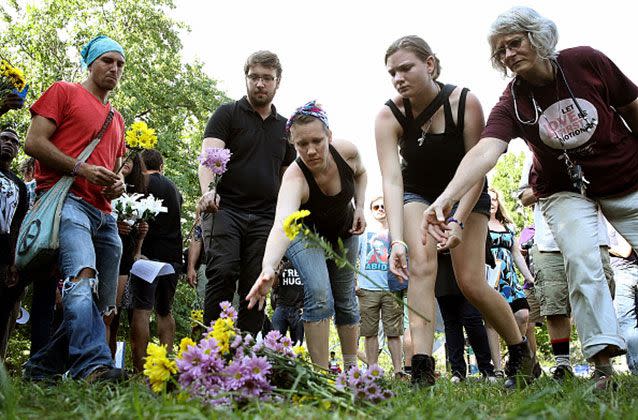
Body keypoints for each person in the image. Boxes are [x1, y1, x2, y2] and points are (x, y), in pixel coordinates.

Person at [423, 6, 637, 388]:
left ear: (538, 38)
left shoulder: (586, 61)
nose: (507, 54)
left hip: (626, 176)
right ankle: (603, 368)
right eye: (500, 50)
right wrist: (447, 198)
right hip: (564, 191)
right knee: (581, 259)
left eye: (514, 43)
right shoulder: (513, 100)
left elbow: (632, 108)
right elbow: (487, 150)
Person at [375, 35, 534, 388]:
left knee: (471, 282)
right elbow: (391, 181)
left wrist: (459, 220)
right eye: (392, 73)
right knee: (421, 266)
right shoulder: (389, 115)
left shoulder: (465, 102)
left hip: (465, 193)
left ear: (429, 64)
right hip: (417, 194)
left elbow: (478, 169)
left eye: (406, 68)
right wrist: (397, 241)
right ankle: (421, 368)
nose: (398, 77)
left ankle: (522, 355)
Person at [23, 35, 126, 382]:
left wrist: (118, 184)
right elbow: (33, 142)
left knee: (103, 305)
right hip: (66, 203)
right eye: (107, 60)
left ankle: (41, 368)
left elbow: (111, 168)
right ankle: (92, 367)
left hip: (104, 216)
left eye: (120, 63)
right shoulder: (64, 92)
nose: (114, 68)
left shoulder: (117, 118)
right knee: (81, 282)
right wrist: (81, 169)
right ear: (91, 62)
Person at [247, 101, 367, 370]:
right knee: (320, 292)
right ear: (293, 144)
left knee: (346, 299)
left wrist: (360, 206)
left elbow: (361, 173)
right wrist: (268, 267)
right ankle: (321, 374)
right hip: (305, 234)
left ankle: (351, 371)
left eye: (317, 141)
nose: (311, 150)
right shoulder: (295, 178)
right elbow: (282, 224)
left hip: (344, 232)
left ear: (329, 137)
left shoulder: (347, 152)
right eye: (302, 144)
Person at [198, 50, 296, 336]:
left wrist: (286, 215)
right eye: (254, 77)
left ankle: (246, 349)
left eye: (267, 78)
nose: (260, 84)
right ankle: (213, 349)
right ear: (246, 78)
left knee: (258, 280)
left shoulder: (285, 127)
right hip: (225, 209)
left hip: (267, 217)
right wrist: (209, 191)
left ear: (278, 82)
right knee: (223, 271)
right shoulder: (226, 114)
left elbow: (288, 177)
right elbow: (207, 160)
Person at [518, 152, 614, 381]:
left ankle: (603, 367)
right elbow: (523, 196)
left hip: (591, 236)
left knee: (596, 299)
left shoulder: (593, 145)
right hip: (549, 242)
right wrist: (550, 184)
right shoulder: (535, 154)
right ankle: (562, 366)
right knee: (554, 303)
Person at [129, 149, 182, 372]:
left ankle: (140, 371)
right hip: (172, 257)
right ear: (161, 165)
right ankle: (165, 366)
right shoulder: (174, 189)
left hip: (146, 257)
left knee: (141, 309)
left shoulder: (142, 183)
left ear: (140, 165)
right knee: (164, 311)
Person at [356, 195, 405, 378]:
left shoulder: (397, 233)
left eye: (384, 206)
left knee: (394, 332)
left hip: (392, 288)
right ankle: (372, 370)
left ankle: (398, 370)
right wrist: (355, 283)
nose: (380, 209)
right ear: (371, 211)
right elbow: (353, 259)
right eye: (376, 207)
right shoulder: (364, 233)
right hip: (367, 289)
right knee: (369, 332)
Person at [485, 188, 533, 373]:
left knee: (523, 314)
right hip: (490, 277)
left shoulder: (508, 226)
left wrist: (528, 276)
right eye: (489, 199)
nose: (492, 203)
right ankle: (498, 369)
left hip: (510, 279)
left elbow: (516, 253)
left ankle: (517, 355)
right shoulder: (480, 225)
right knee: (491, 323)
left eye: (495, 199)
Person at [107, 152, 148, 357]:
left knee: (114, 316)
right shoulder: (106, 187)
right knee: (105, 313)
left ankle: (108, 366)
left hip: (125, 257)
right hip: (105, 253)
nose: (125, 163)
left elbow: (135, 239)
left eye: (130, 160)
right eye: (122, 158)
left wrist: (140, 235)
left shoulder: (136, 197)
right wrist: (114, 225)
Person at [435, 250, 495, 383]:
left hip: (468, 269)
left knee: (473, 320)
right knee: (451, 324)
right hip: (443, 273)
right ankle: (457, 371)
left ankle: (487, 369)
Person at [0, 128, 28, 359]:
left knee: (4, 314)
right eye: (4, 139)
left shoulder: (19, 185)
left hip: (3, 256)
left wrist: (14, 263)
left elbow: (18, 224)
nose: (9, 143)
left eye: (14, 142)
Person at [608, 225, 638, 375]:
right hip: (624, 273)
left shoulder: (613, 220)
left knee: (626, 322)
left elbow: (625, 250)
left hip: (624, 273)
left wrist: (601, 243)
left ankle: (636, 369)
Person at [271, 257, 304, 345]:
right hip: (281, 307)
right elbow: (273, 286)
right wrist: (277, 272)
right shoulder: (282, 260)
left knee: (298, 345)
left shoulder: (305, 260)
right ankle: (275, 358)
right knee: (275, 342)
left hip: (299, 309)